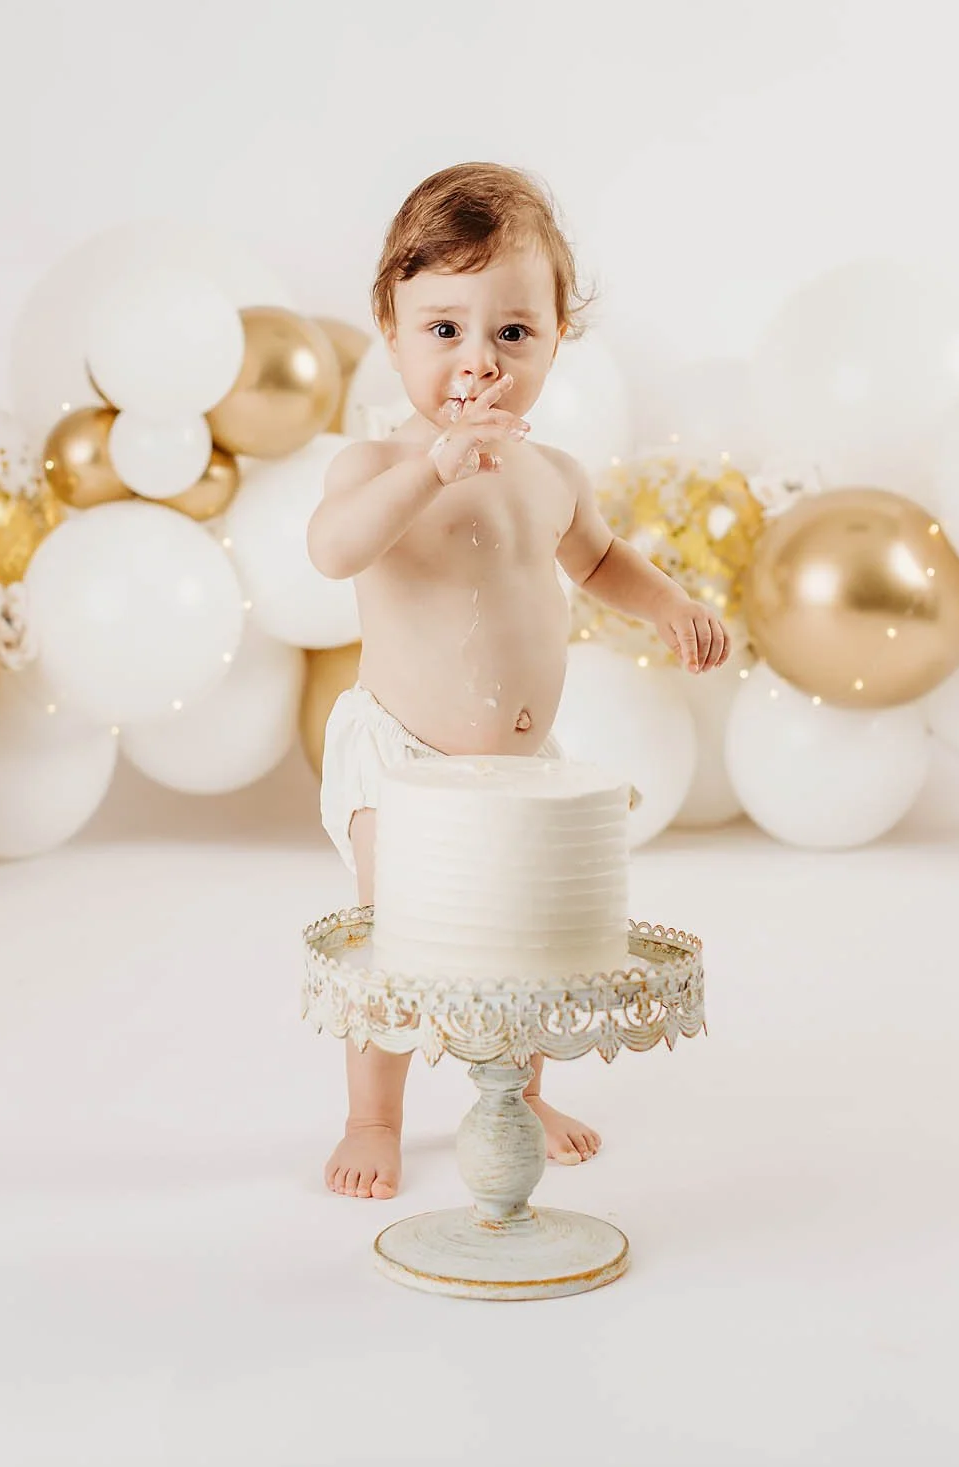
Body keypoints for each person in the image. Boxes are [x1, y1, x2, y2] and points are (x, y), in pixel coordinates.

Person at [306, 162, 730, 1199]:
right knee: (397, 932)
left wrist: (668, 604)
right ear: (391, 328)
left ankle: (517, 1088)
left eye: (512, 332)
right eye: (443, 329)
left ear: (553, 340)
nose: (477, 362)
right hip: (399, 756)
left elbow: (594, 562)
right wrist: (429, 470)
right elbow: (333, 550)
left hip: (517, 766)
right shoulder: (376, 470)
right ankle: (374, 1116)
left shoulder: (553, 477)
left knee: (528, 934)